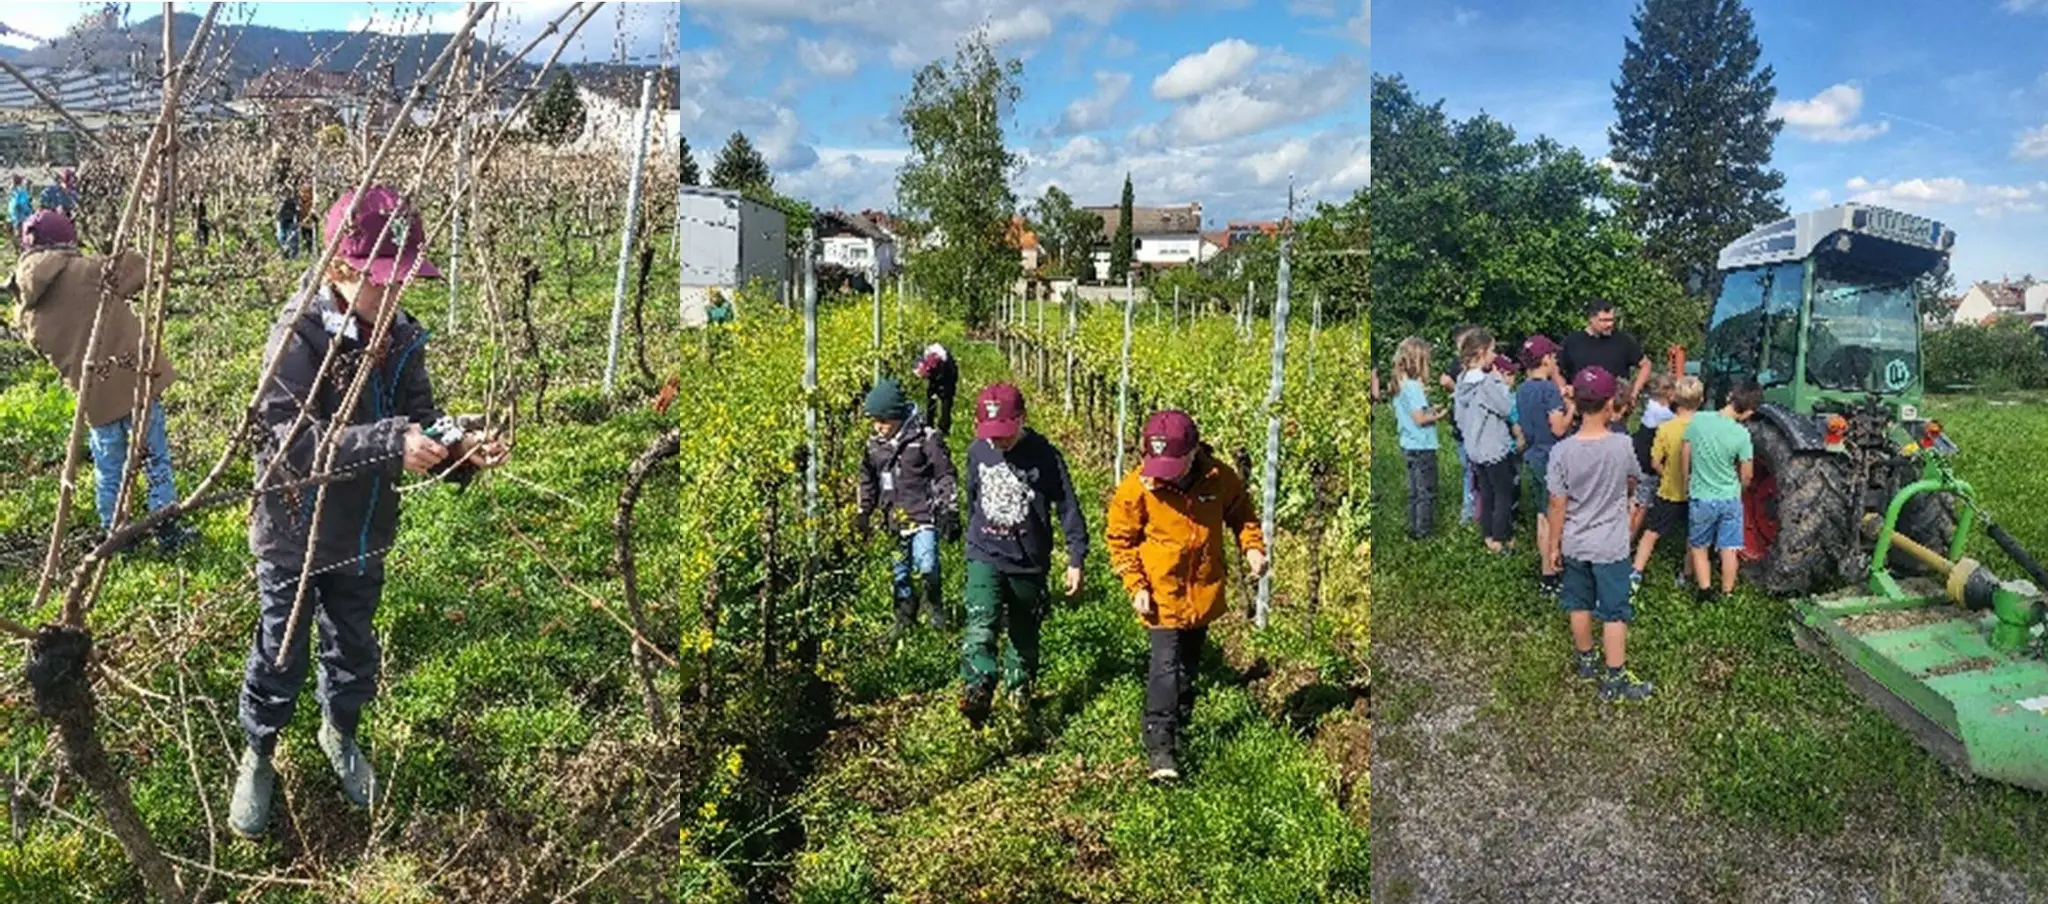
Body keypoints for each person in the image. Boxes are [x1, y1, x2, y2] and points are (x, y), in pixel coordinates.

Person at [232, 186, 511, 839]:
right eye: (381, 283)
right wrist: (390, 441)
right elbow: (286, 444)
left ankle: (341, 734)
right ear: (337, 272)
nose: (394, 298)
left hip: (363, 531)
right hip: (295, 534)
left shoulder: (404, 334)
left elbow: (420, 414)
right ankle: (259, 753)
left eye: (403, 282)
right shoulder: (298, 335)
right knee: (280, 652)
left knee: (354, 645)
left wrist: (459, 447)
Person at [12, 209, 193, 551]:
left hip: (91, 396)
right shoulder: (86, 271)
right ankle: (166, 528)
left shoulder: (24, 307)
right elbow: (140, 266)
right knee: (155, 458)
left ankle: (116, 536)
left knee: (109, 468)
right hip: (133, 379)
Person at [1106, 410, 1267, 782]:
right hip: (1162, 595)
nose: (1163, 473)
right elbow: (1120, 540)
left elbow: (1241, 513)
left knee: (1188, 667)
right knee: (1165, 667)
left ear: (1194, 452)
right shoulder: (1138, 488)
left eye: (1172, 464)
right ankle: (1160, 747)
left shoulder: (1218, 477)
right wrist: (1137, 584)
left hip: (1203, 592)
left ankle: (1181, 724)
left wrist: (1252, 547)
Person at [958, 382, 1087, 727]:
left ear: (1022, 420)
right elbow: (973, 497)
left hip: (1028, 560)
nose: (997, 440)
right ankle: (978, 685)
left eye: (1004, 433)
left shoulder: (1045, 456)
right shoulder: (977, 451)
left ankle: (1019, 697)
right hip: (984, 550)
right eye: (990, 433)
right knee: (980, 620)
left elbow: (1068, 507)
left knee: (1023, 631)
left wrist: (1076, 557)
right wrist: (969, 539)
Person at [1544, 365, 1653, 701]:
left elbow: (1556, 504)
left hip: (1575, 543)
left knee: (1578, 603)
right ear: (1610, 405)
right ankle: (1615, 679)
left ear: (1575, 400)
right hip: (1611, 546)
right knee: (1614, 610)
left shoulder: (1560, 451)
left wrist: (1553, 546)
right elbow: (1635, 480)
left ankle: (1586, 660)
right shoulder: (1622, 445)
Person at [857, 377, 959, 636]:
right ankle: (904, 615)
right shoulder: (873, 448)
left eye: (884, 421)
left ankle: (934, 607)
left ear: (898, 416)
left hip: (923, 515)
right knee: (899, 571)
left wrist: (948, 509)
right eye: (874, 421)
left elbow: (944, 474)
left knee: (927, 564)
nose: (879, 427)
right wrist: (864, 512)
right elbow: (867, 481)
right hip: (893, 520)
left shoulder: (925, 439)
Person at [1681, 381, 1759, 603]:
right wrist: (1739, 489)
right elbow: (1747, 475)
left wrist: (1686, 480)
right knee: (1729, 548)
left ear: (1730, 396)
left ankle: (1705, 591)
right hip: (1729, 499)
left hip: (1701, 496)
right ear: (1749, 412)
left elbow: (1685, 453)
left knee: (1698, 546)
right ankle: (1727, 593)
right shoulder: (1742, 435)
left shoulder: (1699, 420)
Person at [1633, 376, 1703, 589]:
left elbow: (1654, 462)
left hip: (1669, 491)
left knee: (1652, 531)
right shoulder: (1704, 428)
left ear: (1676, 398)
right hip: (1696, 491)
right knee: (1694, 536)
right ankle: (1686, 575)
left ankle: (1635, 572)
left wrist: (1667, 475)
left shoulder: (1665, 427)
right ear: (1701, 400)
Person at [1516, 335, 1571, 596]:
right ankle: (1555, 569)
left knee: (1541, 515)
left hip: (1532, 454)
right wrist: (1571, 407)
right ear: (1546, 359)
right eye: (1553, 356)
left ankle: (1546, 573)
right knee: (1556, 514)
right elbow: (1559, 428)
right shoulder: (1549, 390)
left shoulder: (1522, 388)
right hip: (1552, 456)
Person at [1453, 329, 1516, 554]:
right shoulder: (1487, 383)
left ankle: (1488, 535)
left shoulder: (1461, 381)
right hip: (1494, 447)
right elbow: (1507, 408)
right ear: (1481, 352)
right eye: (1492, 350)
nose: (1495, 355)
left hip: (1474, 448)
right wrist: (1502, 384)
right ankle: (1501, 539)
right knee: (1503, 493)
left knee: (1486, 493)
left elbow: (1459, 417)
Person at [1392, 337, 1445, 540]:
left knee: (1415, 492)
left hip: (1409, 444)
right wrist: (1439, 415)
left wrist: (1431, 409)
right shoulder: (1414, 387)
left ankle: (1413, 529)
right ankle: (1424, 534)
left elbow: (1413, 413)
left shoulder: (1400, 385)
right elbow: (1420, 418)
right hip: (1423, 446)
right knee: (1427, 493)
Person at [1558, 298, 1653, 403]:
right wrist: (1564, 393)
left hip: (1614, 409)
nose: (1609, 325)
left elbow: (1646, 364)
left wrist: (1634, 393)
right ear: (1591, 319)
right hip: (1581, 408)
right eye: (1604, 320)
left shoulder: (1623, 341)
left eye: (1611, 320)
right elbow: (1557, 368)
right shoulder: (1573, 341)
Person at [1439, 324, 1481, 524]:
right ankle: (1469, 514)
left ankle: (1473, 513)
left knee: (1471, 472)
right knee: (1472, 472)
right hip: (1468, 427)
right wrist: (1460, 393)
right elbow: (1444, 380)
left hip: (1466, 425)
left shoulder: (1467, 364)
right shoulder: (1460, 364)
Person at [1631, 374, 1677, 540]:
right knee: (1642, 505)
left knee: (1632, 499)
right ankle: (1629, 540)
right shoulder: (1667, 416)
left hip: (1636, 457)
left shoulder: (1650, 406)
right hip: (1648, 465)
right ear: (1670, 394)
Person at [915, 343, 959, 437]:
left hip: (948, 378)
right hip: (936, 374)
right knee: (931, 400)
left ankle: (944, 428)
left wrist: (941, 388)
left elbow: (951, 376)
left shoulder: (946, 362)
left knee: (946, 402)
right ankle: (929, 424)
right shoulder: (926, 356)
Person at [275, 188, 300, 258]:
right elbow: (278, 212)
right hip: (281, 219)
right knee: (282, 237)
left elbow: (296, 211)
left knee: (293, 237)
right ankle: (283, 253)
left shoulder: (293, 201)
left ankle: (294, 255)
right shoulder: (281, 201)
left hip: (290, 219)